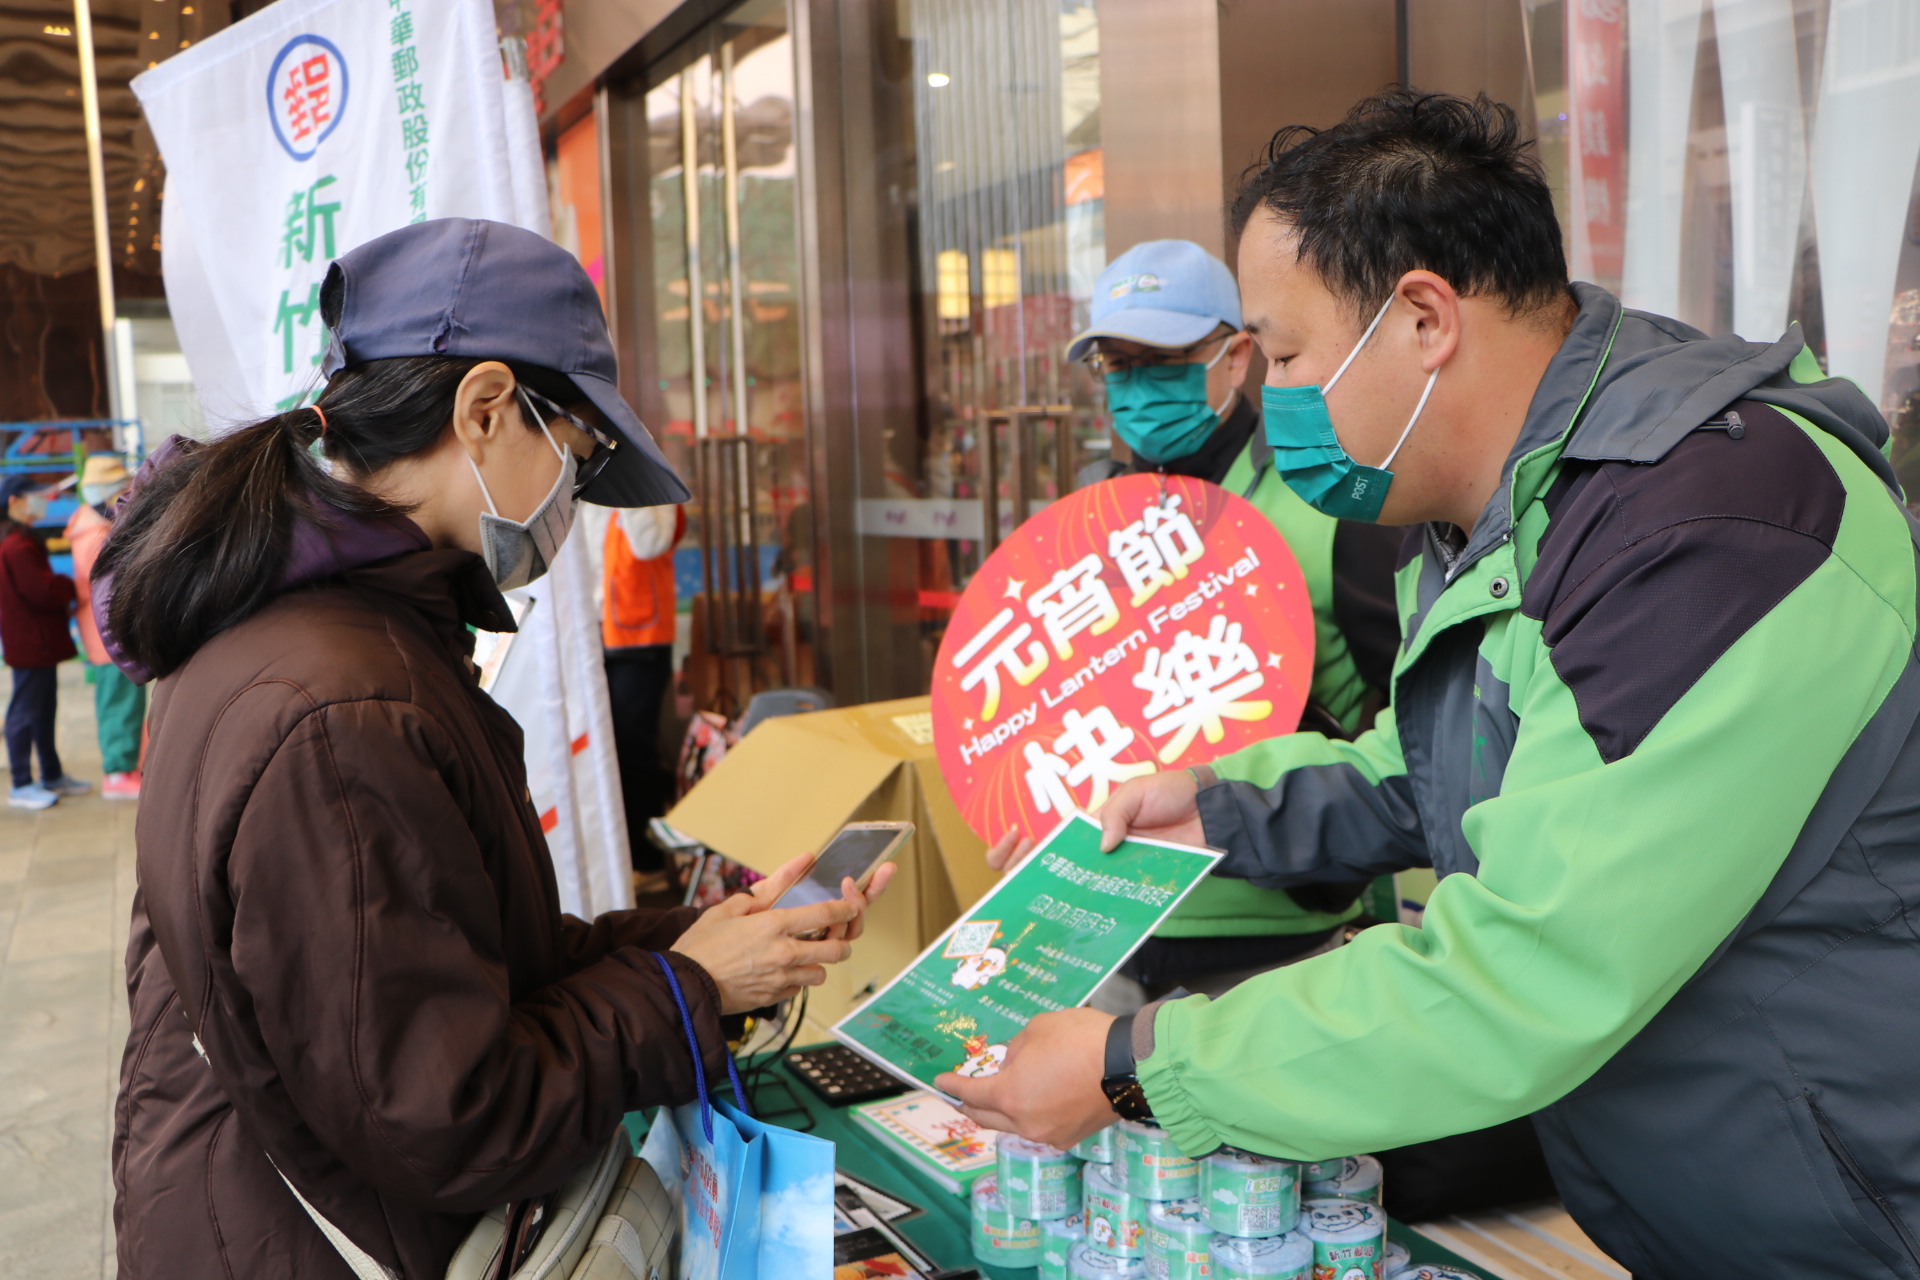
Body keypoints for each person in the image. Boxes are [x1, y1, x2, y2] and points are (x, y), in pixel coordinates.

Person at [942, 90, 1920, 1277]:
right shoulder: (1509, 506)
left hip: (1859, 1212)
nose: (1276, 395)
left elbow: (1524, 968)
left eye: (1289, 353)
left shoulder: (1709, 524)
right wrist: (1225, 809)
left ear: (1422, 319)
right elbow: (1445, 767)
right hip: (1721, 1195)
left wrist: (1136, 1065)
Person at [102, 219, 892, 1280]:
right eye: (574, 453)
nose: (571, 498)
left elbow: (453, 957)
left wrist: (699, 939)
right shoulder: (345, 707)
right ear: (482, 410)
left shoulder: (316, 637)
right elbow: (450, 1111)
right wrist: (683, 990)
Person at [1042, 238, 1401, 1012]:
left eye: (1163, 361)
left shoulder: (1331, 501)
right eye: (1117, 366)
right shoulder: (1083, 526)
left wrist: (1331, 861)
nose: (1139, 389)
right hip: (1109, 920)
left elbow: (1416, 714)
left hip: (1283, 938)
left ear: (1237, 358)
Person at [602, 499, 683, 869]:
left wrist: (626, 482)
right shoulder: (573, 477)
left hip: (640, 636)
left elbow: (650, 544)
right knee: (606, 752)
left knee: (635, 748)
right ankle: (619, 859)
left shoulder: (650, 482)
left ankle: (647, 862)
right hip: (590, 634)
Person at [0, 473, 89, 809]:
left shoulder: (22, 539)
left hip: (39, 642)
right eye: (34, 496)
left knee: (43, 711)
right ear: (15, 502)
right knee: (24, 713)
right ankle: (21, 783)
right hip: (30, 644)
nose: (41, 501)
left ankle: (51, 774)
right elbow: (43, 591)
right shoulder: (16, 545)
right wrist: (70, 585)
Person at [65, 454, 142, 799]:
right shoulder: (95, 536)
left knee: (120, 700)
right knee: (119, 703)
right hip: (109, 634)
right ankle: (118, 771)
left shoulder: (89, 525)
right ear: (108, 495)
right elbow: (113, 586)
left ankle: (124, 765)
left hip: (106, 632)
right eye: (123, 491)